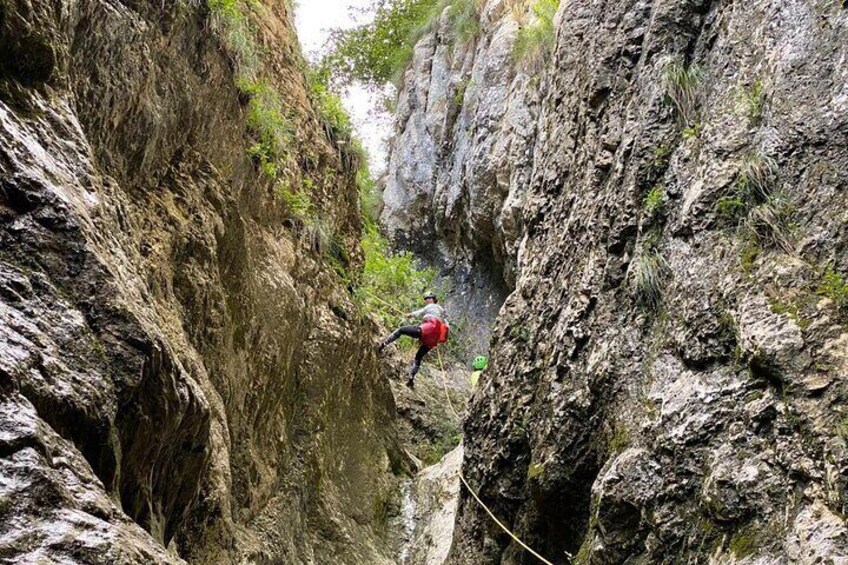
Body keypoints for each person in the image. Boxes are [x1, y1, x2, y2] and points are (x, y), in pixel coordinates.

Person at [377, 292, 448, 388]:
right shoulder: (442, 312)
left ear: (433, 299)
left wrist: (410, 315)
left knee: (401, 330)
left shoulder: (432, 306)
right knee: (418, 357)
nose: (426, 300)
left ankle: (382, 345)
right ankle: (411, 378)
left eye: (428, 298)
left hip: (428, 328)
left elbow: (419, 312)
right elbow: (446, 325)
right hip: (434, 338)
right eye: (426, 298)